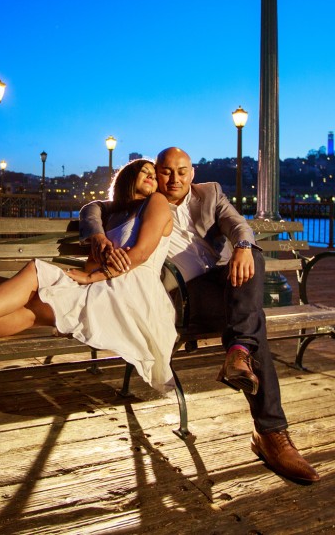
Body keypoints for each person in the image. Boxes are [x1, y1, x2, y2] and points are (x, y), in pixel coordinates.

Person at [80, 146, 320, 484]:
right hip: (179, 300)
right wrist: (98, 237)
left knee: (255, 259)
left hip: (223, 287)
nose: (174, 178)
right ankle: (270, 432)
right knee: (253, 324)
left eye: (182, 171)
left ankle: (241, 355)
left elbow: (239, 225)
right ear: (156, 173)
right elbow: (92, 209)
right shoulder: (143, 201)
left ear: (192, 173)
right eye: (166, 171)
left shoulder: (210, 194)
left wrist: (242, 247)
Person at [0, 159, 177, 391]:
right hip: (108, 285)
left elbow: (140, 254)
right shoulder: (112, 216)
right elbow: (93, 258)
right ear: (129, 178)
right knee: (33, 310)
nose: (153, 179)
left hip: (134, 294)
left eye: (155, 175)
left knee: (37, 272)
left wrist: (92, 277)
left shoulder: (157, 202)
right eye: (146, 173)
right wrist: (91, 265)